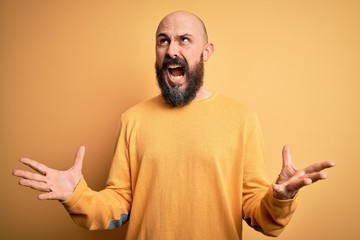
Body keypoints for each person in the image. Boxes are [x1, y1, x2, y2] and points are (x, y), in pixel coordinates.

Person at [13, 11, 335, 240]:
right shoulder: (133, 119)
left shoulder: (242, 119)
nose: (172, 50)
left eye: (184, 40)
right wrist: (78, 196)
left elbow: (258, 216)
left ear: (206, 52)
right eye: (163, 41)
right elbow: (118, 207)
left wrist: (280, 198)